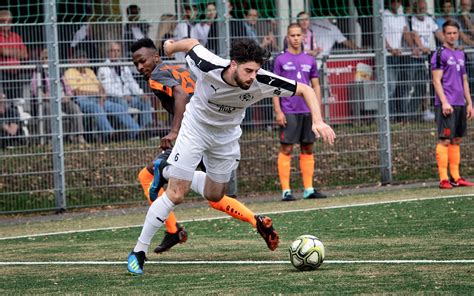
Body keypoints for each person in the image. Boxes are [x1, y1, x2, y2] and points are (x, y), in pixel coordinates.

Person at [126, 37, 335, 275]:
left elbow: (305, 89)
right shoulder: (208, 64)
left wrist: (318, 120)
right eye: (248, 70)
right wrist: (170, 46)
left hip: (225, 138)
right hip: (195, 128)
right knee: (176, 194)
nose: (252, 77)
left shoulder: (262, 81)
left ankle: (167, 169)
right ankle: (139, 252)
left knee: (215, 194)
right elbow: (192, 44)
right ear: (233, 64)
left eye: (256, 71)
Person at [129, 37, 279, 257]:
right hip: (211, 132)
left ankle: (172, 229)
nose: (141, 67)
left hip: (194, 132)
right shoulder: (178, 68)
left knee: (150, 177)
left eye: (142, 61)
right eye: (136, 64)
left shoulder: (157, 75)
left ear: (156, 57)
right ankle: (255, 220)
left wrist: (174, 131)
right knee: (212, 194)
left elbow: (181, 96)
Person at [273, 23, 327, 202]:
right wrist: (278, 111)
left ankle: (308, 189)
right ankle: (286, 191)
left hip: (307, 111)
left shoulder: (309, 60)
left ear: (303, 37)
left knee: (308, 147)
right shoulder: (280, 60)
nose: (296, 38)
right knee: (287, 148)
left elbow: (316, 86)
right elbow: (274, 88)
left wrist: (317, 111)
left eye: (298, 35)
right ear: (287, 37)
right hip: (288, 110)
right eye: (292, 35)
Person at [431, 20, 474, 189]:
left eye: (455, 33)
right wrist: (444, 102)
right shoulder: (440, 53)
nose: (452, 36)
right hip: (447, 104)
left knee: (456, 140)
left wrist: (470, 103)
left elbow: (464, 80)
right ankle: (443, 179)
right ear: (443, 34)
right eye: (448, 33)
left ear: (458, 34)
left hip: (460, 103)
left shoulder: (460, 54)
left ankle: (456, 177)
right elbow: (436, 80)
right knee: (445, 140)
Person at [63, 50, 139, 141]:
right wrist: (96, 94)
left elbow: (100, 86)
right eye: (79, 59)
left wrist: (102, 95)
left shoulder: (89, 71)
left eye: (84, 58)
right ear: (74, 61)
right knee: (96, 108)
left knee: (118, 107)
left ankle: (137, 132)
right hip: (83, 100)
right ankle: (110, 134)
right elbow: (76, 92)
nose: (82, 61)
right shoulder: (70, 72)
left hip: (98, 99)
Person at [30, 48, 86, 144]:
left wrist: (68, 96)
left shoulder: (59, 72)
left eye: (49, 57)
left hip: (62, 99)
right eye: (45, 58)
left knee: (75, 108)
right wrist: (46, 96)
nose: (47, 60)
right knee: (47, 109)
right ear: (42, 59)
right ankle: (51, 138)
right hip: (48, 101)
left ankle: (78, 136)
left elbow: (68, 88)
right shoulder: (39, 73)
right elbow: (35, 89)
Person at [97, 42, 153, 130]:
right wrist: (122, 96)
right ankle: (132, 131)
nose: (115, 53)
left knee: (145, 101)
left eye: (118, 51)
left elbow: (132, 83)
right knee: (122, 103)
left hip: (129, 97)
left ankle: (145, 129)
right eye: (113, 51)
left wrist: (141, 94)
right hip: (114, 98)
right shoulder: (103, 68)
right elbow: (107, 89)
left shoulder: (124, 67)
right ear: (108, 52)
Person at [409, 0, 443, 121]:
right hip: (416, 58)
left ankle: (429, 110)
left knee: (432, 83)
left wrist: (448, 44)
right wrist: (421, 47)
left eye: (424, 8)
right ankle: (411, 113)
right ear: (415, 9)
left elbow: (438, 33)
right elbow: (414, 35)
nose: (423, 11)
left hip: (429, 56)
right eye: (420, 9)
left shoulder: (429, 19)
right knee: (416, 85)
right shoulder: (411, 20)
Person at [0, 10, 28, 103]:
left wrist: (8, 52)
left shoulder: (16, 36)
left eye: (9, 21)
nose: (6, 23)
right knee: (3, 100)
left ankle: (18, 113)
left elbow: (25, 54)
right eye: (3, 21)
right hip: (2, 73)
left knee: (18, 100)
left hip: (16, 73)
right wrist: (16, 52)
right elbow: (2, 51)